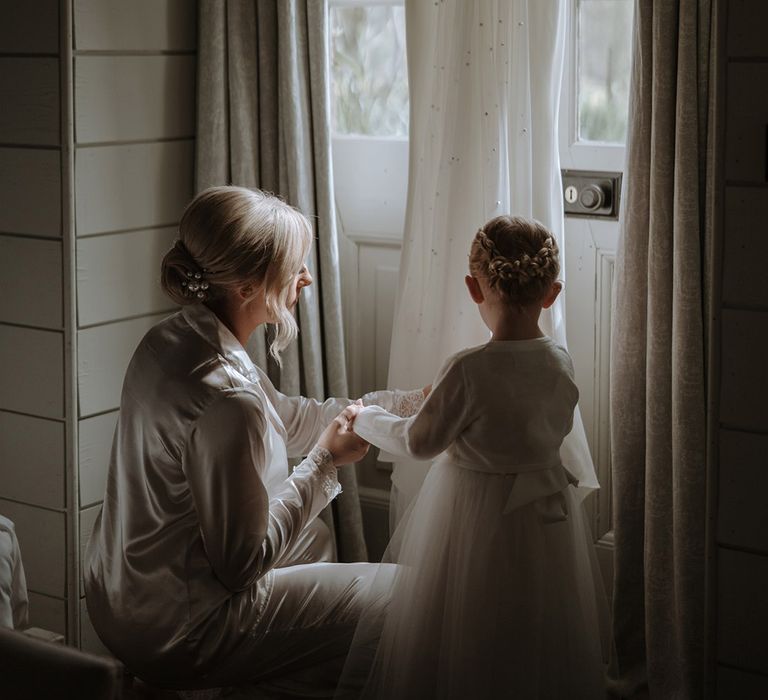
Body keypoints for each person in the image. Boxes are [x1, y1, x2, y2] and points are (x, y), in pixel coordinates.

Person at [84, 186, 427, 696]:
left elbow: (285, 419)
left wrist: (406, 403)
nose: (306, 278)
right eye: (295, 267)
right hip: (183, 630)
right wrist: (325, 462)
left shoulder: (175, 338)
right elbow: (242, 564)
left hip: (121, 591)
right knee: (407, 597)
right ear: (246, 287)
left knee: (315, 539)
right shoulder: (227, 398)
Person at [337, 216, 611, 699]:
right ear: (552, 293)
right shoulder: (559, 361)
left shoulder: (468, 369)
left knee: (468, 614)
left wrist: (365, 417)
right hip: (543, 516)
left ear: (473, 287)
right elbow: (557, 427)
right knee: (534, 615)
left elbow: (419, 442)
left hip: (475, 511)